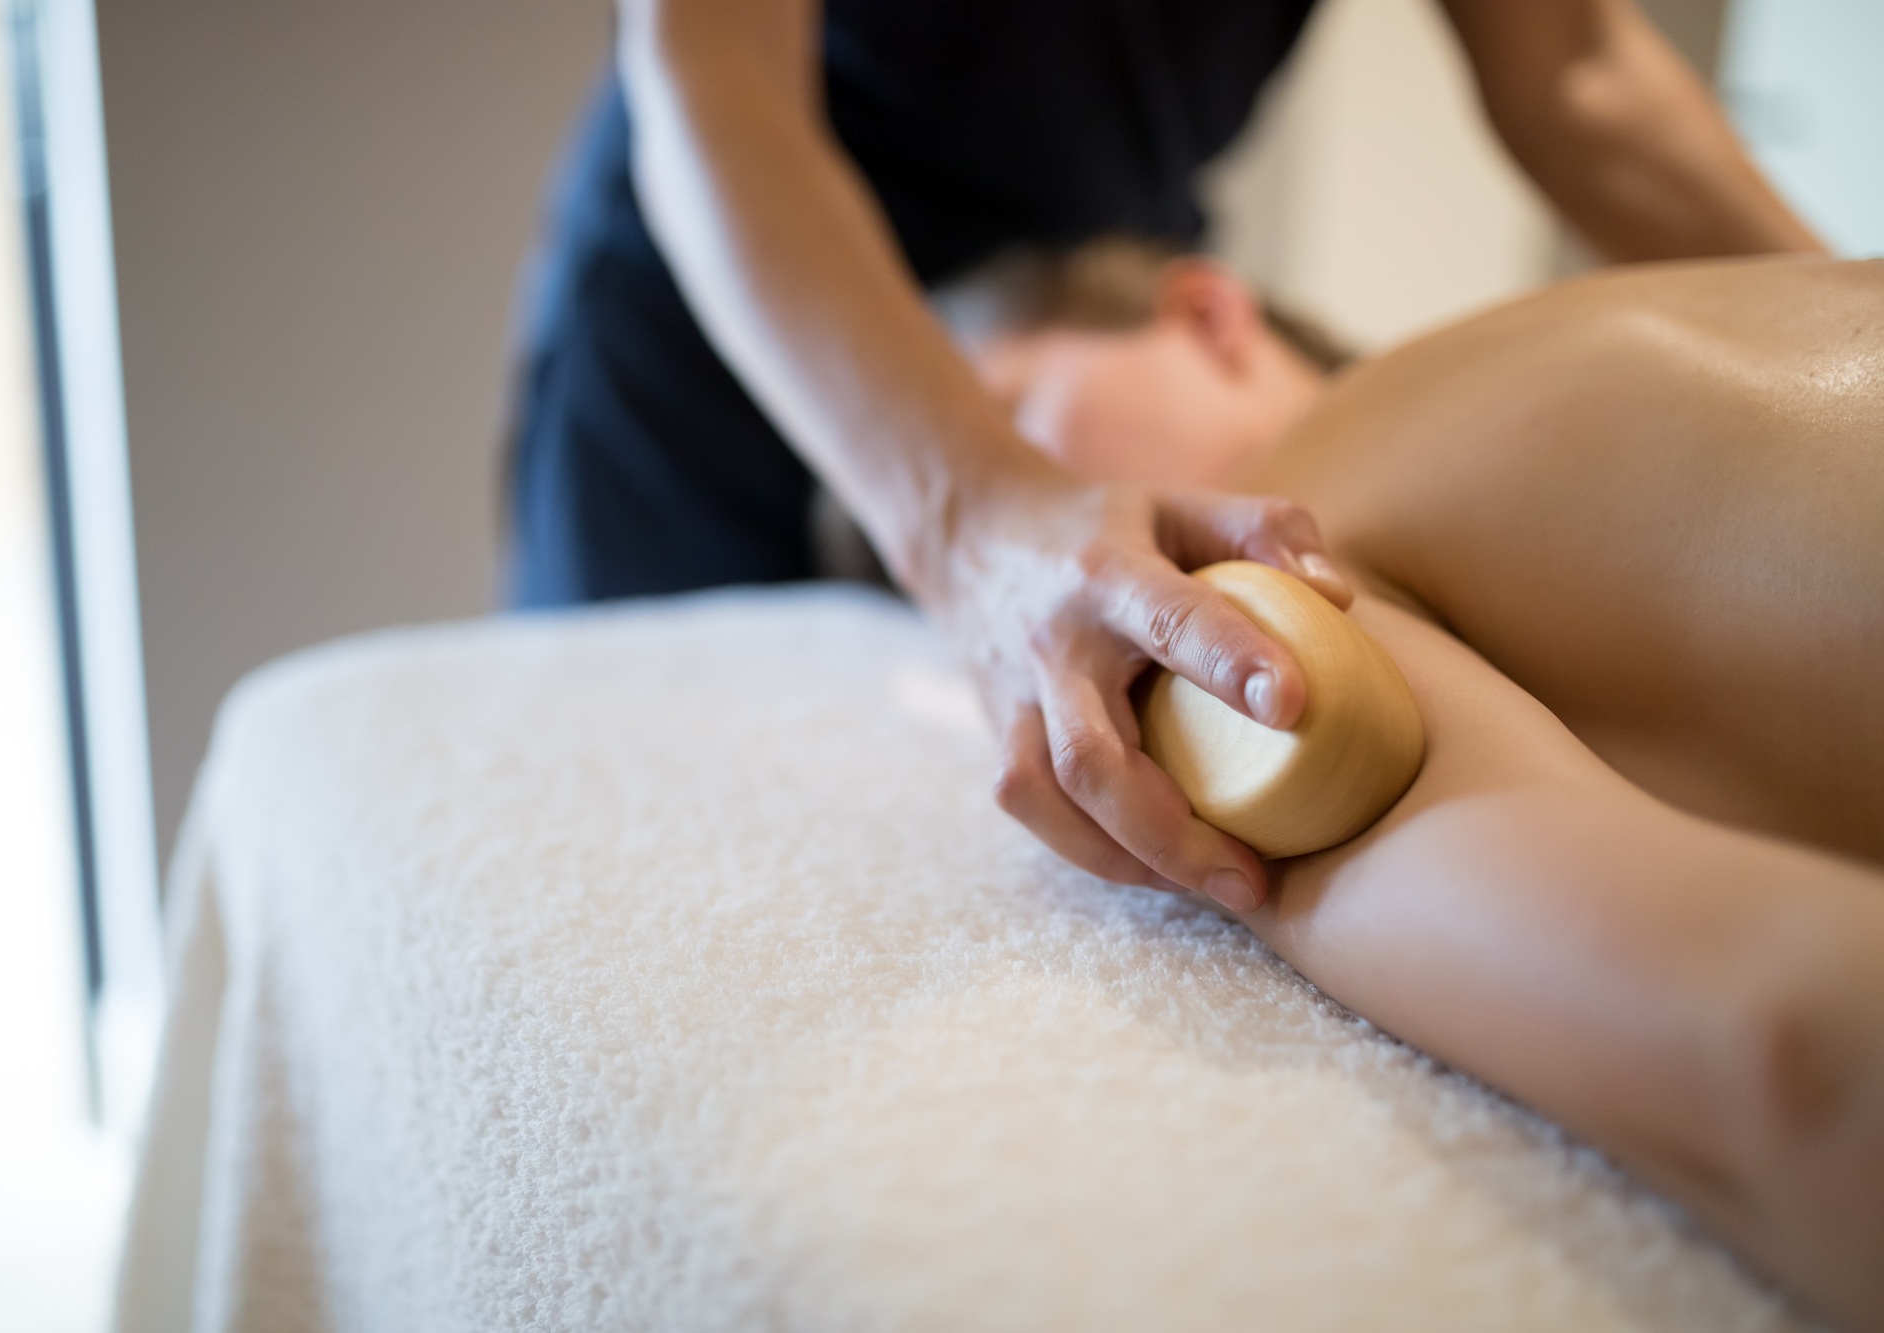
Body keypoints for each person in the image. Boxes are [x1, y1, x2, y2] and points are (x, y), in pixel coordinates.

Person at [507, 0, 1825, 916]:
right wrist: (970, 519)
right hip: (735, 315)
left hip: (1093, 245)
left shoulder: (1491, 426)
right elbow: (713, 76)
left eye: (1028, 419)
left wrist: (1842, 326)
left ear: (1209, 310)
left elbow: (1578, 76)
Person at [953, 241, 1884, 1331]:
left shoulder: (1261, 585)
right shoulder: (1622, 316)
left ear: (1207, 314)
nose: (1020, 574)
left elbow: (1777, 1064)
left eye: (1008, 429)